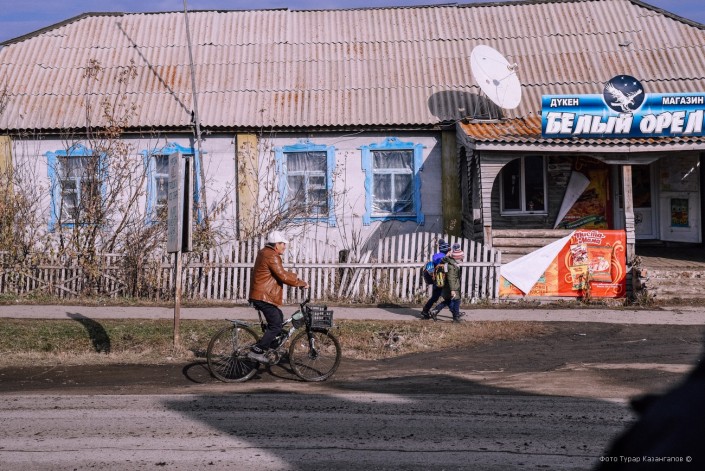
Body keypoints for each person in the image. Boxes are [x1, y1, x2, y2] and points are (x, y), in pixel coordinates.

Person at [247, 230, 308, 363]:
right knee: (275, 325)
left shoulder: (265, 252)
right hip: (263, 296)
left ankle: (271, 347)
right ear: (276, 245)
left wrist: (295, 278)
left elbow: (280, 273)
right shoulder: (272, 256)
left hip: (260, 294)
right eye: (283, 244)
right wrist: (301, 283)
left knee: (278, 317)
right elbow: (283, 276)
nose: (284, 247)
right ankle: (257, 351)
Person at [429, 243, 465, 322]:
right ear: (457, 258)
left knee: (448, 301)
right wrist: (453, 290)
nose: (462, 259)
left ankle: (435, 311)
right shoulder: (452, 266)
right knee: (457, 301)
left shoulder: (451, 263)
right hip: (452, 287)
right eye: (461, 257)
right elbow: (451, 278)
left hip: (449, 286)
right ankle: (456, 318)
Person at [421, 239, 451, 319]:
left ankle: (426, 310)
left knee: (435, 297)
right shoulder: (443, 258)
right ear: (446, 250)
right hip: (441, 280)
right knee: (449, 298)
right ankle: (455, 314)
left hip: (437, 280)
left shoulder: (436, 256)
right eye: (449, 250)